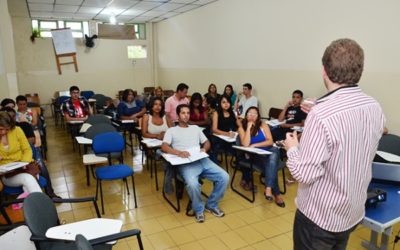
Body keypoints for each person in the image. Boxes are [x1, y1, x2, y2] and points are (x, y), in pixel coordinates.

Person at [284, 39, 386, 249]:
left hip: (319, 220)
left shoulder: (321, 115)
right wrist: (320, 105)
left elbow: (304, 174)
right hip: (351, 214)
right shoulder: (374, 106)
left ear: (324, 71)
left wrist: (292, 148)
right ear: (359, 70)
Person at [161, 104, 229, 223]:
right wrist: (178, 152)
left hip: (202, 159)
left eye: (188, 113)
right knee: (192, 184)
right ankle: (198, 209)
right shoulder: (172, 130)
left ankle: (211, 204)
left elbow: (207, 142)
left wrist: (205, 148)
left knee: (224, 177)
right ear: (178, 115)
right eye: (183, 113)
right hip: (186, 163)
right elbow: (164, 146)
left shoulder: (195, 128)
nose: (186, 115)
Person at [237, 106, 284, 208]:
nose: (252, 116)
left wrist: (255, 145)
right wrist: (249, 128)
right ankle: (277, 194)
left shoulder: (263, 125)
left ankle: (268, 189)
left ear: (258, 116)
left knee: (274, 153)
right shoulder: (242, 128)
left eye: (255, 114)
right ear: (246, 115)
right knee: (272, 165)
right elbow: (245, 144)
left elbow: (270, 141)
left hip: (269, 151)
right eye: (250, 113)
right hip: (255, 155)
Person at [0, 111, 42, 194]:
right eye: (0, 129)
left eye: (7, 129)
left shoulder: (17, 130)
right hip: (6, 174)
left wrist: (24, 162)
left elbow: (27, 149)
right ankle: (41, 205)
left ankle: (31, 203)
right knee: (29, 179)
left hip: (24, 166)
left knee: (29, 182)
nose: (4, 132)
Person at [209, 94, 238, 163]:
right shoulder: (216, 113)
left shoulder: (232, 113)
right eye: (223, 102)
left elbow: (238, 125)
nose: (226, 104)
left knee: (241, 143)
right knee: (217, 145)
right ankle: (214, 163)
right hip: (218, 136)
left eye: (228, 102)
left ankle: (240, 163)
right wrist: (227, 134)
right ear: (220, 103)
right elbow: (214, 129)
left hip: (230, 138)